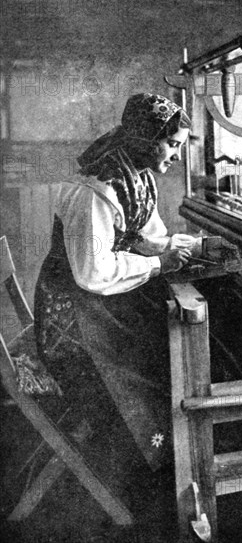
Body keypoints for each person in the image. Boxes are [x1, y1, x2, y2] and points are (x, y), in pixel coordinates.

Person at [34, 93, 202, 483]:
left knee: (158, 342)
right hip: (71, 319)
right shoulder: (96, 189)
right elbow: (94, 272)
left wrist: (182, 247)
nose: (176, 155)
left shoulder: (134, 173)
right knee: (148, 363)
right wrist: (159, 264)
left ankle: (166, 458)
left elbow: (147, 231)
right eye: (172, 144)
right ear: (146, 140)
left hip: (95, 303)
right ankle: (146, 474)